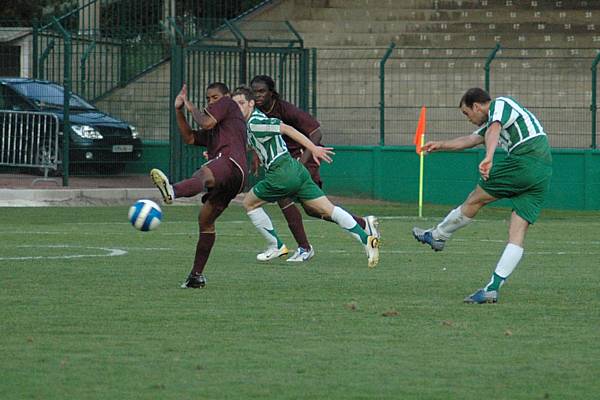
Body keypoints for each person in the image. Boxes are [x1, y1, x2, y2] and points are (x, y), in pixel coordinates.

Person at [412, 87, 553, 304]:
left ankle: (438, 236)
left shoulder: (500, 104)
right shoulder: (493, 121)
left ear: (477, 106)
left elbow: (493, 129)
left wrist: (489, 157)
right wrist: (440, 145)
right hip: (542, 172)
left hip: (525, 159)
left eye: (467, 114)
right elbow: (470, 139)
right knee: (516, 234)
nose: (469, 119)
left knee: (475, 198)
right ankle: (492, 288)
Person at [232, 85, 380, 268]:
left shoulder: (255, 122)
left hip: (281, 172)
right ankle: (367, 239)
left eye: (241, 103)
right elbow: (253, 141)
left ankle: (276, 245)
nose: (238, 107)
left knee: (249, 203)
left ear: (251, 104)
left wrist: (313, 148)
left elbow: (286, 128)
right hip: (296, 169)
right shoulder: (253, 123)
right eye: (234, 104)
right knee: (328, 209)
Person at [150, 82, 247, 288]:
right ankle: (196, 276)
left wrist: (189, 104)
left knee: (203, 174)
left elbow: (205, 122)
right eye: (209, 99)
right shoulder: (219, 127)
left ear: (226, 96)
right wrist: (178, 110)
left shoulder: (228, 104)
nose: (211, 102)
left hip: (230, 162)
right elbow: (190, 137)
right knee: (205, 221)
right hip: (235, 179)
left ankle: (173, 190)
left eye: (215, 97)